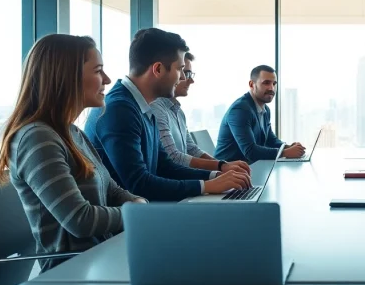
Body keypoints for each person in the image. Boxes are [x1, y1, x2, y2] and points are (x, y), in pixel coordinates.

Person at [0, 34, 146, 272]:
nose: (106, 79)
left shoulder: (72, 132)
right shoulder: (37, 138)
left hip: (100, 259)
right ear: (66, 77)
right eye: (98, 71)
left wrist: (139, 205)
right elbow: (80, 221)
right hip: (71, 270)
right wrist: (136, 212)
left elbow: (112, 190)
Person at [85, 28, 251, 202]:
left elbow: (164, 166)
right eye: (180, 69)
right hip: (125, 223)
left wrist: (215, 175)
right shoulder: (119, 109)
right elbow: (138, 184)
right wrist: (206, 186)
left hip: (145, 211)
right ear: (158, 69)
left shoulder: (144, 106)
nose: (181, 78)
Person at [151, 52, 250, 174]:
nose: (190, 80)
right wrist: (220, 168)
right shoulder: (155, 107)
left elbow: (192, 149)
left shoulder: (178, 111)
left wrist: (224, 167)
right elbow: (173, 157)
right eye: (184, 72)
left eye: (189, 73)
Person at [215, 65, 305, 163]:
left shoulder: (265, 109)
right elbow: (250, 151)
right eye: (266, 83)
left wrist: (288, 147)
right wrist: (285, 152)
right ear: (251, 84)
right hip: (228, 172)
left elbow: (270, 140)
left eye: (274, 83)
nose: (272, 88)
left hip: (250, 169)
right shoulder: (240, 109)